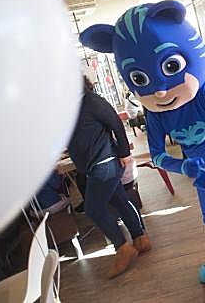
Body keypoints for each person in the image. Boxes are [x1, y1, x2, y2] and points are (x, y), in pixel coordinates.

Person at [79, 0, 205, 303]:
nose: (160, 90)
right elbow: (157, 155)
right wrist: (184, 167)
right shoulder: (155, 111)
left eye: (170, 67)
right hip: (200, 169)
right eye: (140, 79)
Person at [67, 75, 151, 279]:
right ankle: (140, 238)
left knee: (93, 209)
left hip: (104, 163)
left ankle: (122, 247)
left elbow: (116, 124)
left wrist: (124, 152)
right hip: (98, 165)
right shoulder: (71, 106)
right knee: (120, 200)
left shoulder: (90, 100)